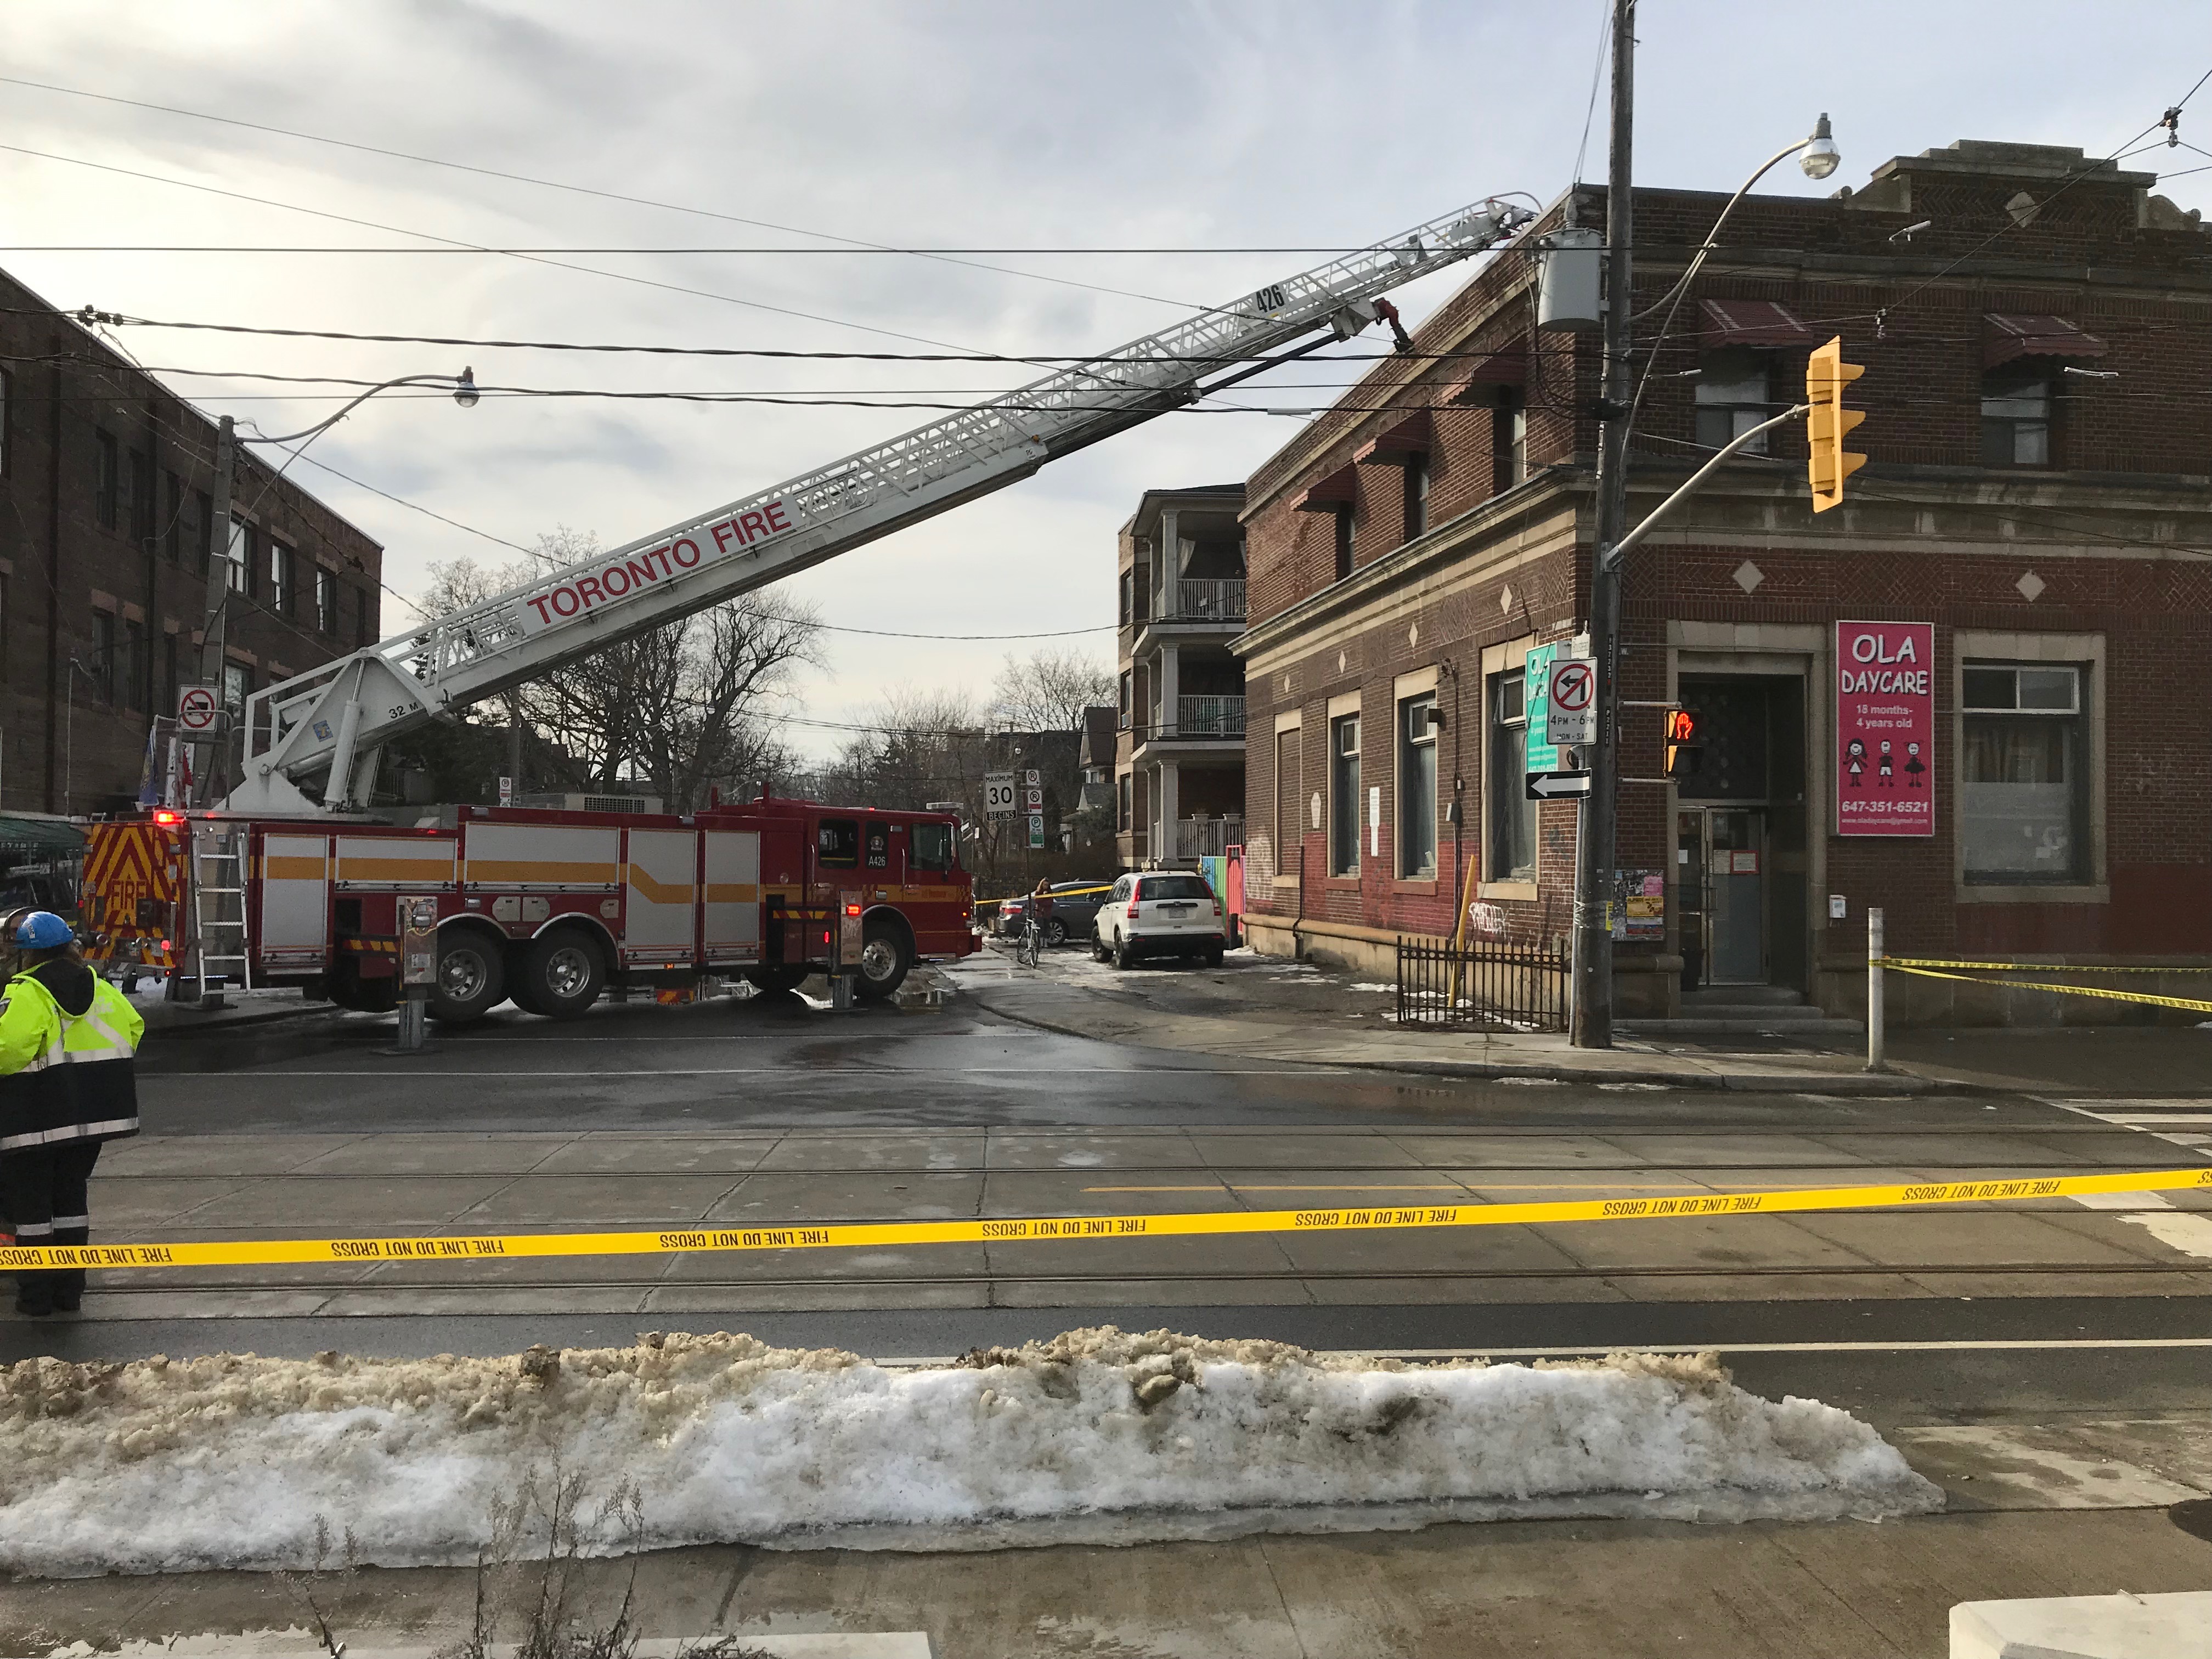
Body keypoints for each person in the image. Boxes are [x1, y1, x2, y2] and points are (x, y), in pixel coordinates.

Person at [0, 911, 143, 1316]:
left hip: (34, 1122)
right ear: (69, 946)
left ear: (27, 954)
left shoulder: (27, 991)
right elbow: (133, 1029)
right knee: (70, 1202)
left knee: (31, 1213)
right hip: (90, 1120)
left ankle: (36, 1298)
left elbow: (7, 1050)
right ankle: (69, 1291)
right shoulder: (100, 988)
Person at [1023, 879, 1055, 964]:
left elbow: (1050, 902)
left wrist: (1045, 899)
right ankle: (1040, 943)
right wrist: (1044, 899)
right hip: (1040, 913)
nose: (1046, 887)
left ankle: (1046, 943)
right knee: (1041, 928)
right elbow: (1038, 901)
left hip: (1047, 914)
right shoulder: (1038, 893)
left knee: (1047, 927)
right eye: (1044, 885)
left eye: (1047, 885)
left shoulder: (1050, 893)